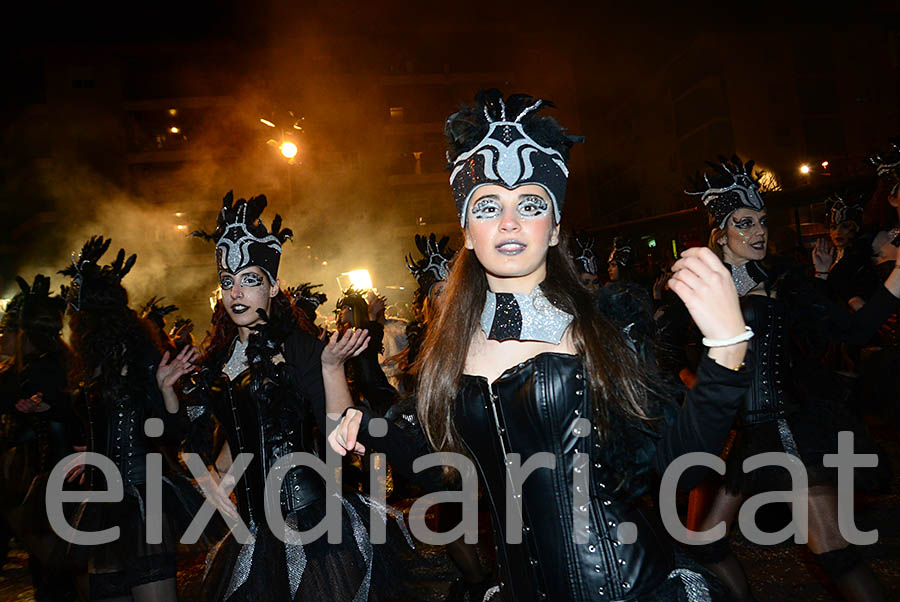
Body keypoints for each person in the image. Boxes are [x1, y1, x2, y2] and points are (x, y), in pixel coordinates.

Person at [329, 89, 752, 601]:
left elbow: (673, 471)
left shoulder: (603, 326)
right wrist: (369, 428)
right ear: (467, 231)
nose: (509, 221)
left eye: (530, 204)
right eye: (489, 206)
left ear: (553, 230)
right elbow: (444, 467)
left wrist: (726, 350)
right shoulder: (450, 348)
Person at [159, 191, 406, 602]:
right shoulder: (219, 359)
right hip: (252, 529)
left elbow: (337, 432)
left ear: (273, 286)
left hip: (310, 517)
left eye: (250, 280)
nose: (236, 292)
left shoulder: (300, 347)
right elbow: (199, 442)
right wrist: (169, 392)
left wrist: (330, 369)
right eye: (227, 282)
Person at [685, 156, 900, 602]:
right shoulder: (707, 283)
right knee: (704, 542)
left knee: (834, 553)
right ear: (719, 232)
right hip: (750, 438)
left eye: (762, 221)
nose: (759, 231)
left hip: (788, 432)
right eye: (744, 223)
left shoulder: (782, 283)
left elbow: (853, 331)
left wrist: (897, 279)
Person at [60, 237, 204, 602]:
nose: (73, 327)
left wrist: (168, 391)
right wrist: (90, 451)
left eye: (77, 318)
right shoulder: (91, 369)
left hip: (144, 502)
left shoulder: (143, 360)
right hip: (103, 501)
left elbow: (174, 431)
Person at [0, 274, 77, 601]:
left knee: (55, 568)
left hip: (50, 477)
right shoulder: (50, 364)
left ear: (24, 334)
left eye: (6, 332)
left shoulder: (38, 370)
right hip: (51, 475)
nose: (2, 338)